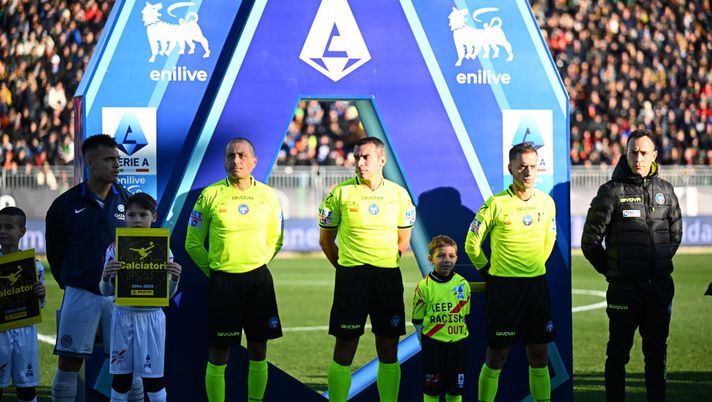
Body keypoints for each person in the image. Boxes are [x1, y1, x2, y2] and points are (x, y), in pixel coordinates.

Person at [581, 129, 682, 402]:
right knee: (617, 355)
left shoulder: (666, 191)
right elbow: (590, 242)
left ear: (654, 155)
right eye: (633, 152)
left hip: (659, 288)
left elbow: (675, 235)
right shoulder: (610, 192)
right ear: (625, 154)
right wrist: (614, 270)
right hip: (624, 290)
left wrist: (656, 264)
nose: (638, 157)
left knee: (656, 357)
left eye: (644, 152)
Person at [45, 134, 143, 401]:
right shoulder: (65, 204)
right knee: (68, 365)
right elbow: (55, 252)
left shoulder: (129, 201)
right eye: (109, 159)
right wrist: (72, 283)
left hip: (120, 298)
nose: (116, 164)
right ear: (90, 162)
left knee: (128, 369)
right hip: (81, 294)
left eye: (117, 159)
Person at [185, 138, 284, 402]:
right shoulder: (210, 195)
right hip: (222, 283)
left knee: (258, 350)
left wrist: (255, 262)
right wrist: (215, 270)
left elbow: (277, 239)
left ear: (254, 162)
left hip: (258, 282)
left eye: (242, 155)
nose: (236, 160)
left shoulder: (268, 195)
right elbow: (192, 242)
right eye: (230, 156)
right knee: (219, 353)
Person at [318, 136, 416, 402]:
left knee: (388, 348)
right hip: (352, 278)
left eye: (366, 157)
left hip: (387, 278)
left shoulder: (399, 195)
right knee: (345, 347)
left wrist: (381, 262)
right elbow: (326, 241)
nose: (359, 163)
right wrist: (347, 267)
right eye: (356, 157)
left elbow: (403, 241)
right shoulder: (339, 194)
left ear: (382, 160)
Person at [464, 142, 557, 402]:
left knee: (539, 355)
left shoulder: (547, 203)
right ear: (511, 168)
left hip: (536, 288)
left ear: (539, 168)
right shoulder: (495, 204)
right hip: (504, 290)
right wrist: (489, 272)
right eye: (522, 167)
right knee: (497, 356)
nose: (528, 172)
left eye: (532, 166)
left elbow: (549, 239)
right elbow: (471, 243)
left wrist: (535, 264)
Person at [100, 193, 181, 402]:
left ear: (153, 217)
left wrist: (174, 278)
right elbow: (106, 292)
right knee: (121, 379)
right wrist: (106, 277)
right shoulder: (115, 248)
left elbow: (168, 295)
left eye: (143, 215)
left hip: (152, 318)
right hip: (123, 316)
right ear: (124, 217)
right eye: (132, 214)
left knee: (154, 380)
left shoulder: (164, 249)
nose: (137, 219)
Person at [412, 235, 471, 402]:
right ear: (430, 259)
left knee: (455, 390)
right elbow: (417, 320)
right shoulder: (424, 286)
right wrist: (423, 341)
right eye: (441, 255)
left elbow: (465, 316)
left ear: (457, 258)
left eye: (451, 256)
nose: (447, 260)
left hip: (458, 344)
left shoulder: (463, 285)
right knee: (432, 390)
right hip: (433, 344)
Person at [0, 206, 46, 402]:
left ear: (22, 232)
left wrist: (40, 295)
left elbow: (40, 304)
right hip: (1, 332)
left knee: (26, 389)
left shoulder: (34, 266)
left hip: (25, 332)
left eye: (8, 227)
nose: (2, 231)